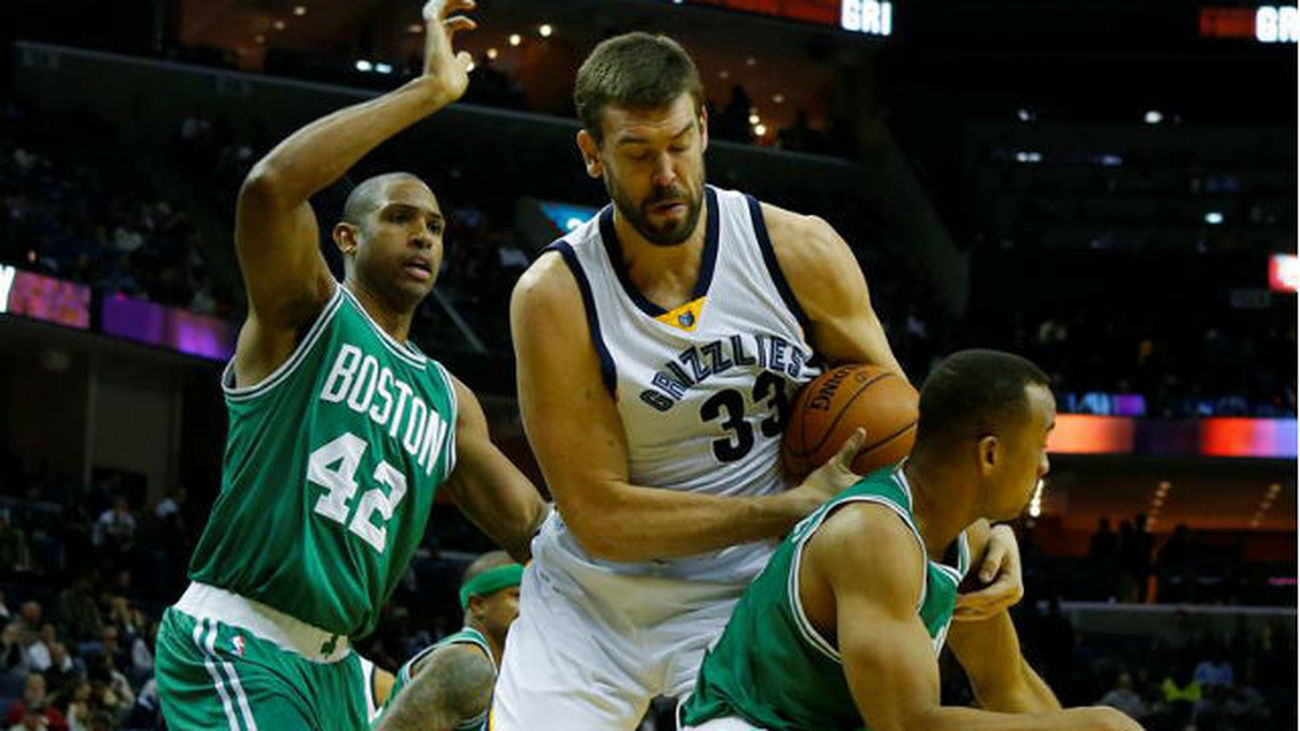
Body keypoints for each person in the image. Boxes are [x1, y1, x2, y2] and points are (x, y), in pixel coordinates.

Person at [496, 32, 1025, 729]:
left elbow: (904, 425)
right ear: (592, 155)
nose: (667, 175)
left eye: (681, 143)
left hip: (745, 592)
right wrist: (785, 509)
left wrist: (979, 522)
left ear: (706, 128)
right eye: (638, 153)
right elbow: (602, 517)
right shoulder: (555, 297)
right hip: (595, 597)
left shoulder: (797, 250)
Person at [154, 2, 548, 728]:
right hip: (240, 636)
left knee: (465, 679)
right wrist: (427, 94)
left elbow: (534, 525)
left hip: (337, 666)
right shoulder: (307, 313)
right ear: (346, 237)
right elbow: (270, 188)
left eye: (434, 225)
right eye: (400, 217)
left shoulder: (447, 397)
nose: (423, 235)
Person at [679, 350, 1141, 730]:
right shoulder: (872, 535)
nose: (1044, 465)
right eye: (1042, 442)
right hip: (748, 723)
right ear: (991, 454)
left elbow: (1006, 685)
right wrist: (1096, 725)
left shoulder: (966, 536)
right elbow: (905, 725)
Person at [373, 551, 522, 730]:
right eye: (518, 596)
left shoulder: (503, 668)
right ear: (478, 605)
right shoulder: (466, 664)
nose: (530, 607)